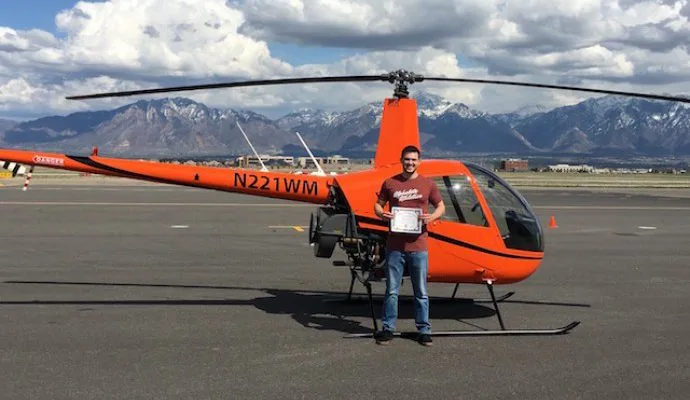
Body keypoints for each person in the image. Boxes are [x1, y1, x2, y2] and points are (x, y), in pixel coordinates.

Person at [373, 145, 445, 346]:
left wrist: (432, 217)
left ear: (419, 162)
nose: (410, 163)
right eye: (407, 159)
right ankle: (388, 328)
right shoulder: (390, 183)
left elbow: (441, 206)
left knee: (421, 291)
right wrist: (382, 214)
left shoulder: (428, 184)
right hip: (395, 246)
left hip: (418, 246)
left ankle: (424, 329)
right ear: (401, 160)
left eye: (413, 160)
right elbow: (378, 204)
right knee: (392, 290)